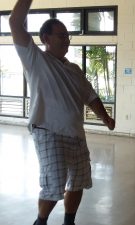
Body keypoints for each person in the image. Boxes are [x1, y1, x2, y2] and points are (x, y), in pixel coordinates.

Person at [9, 1, 115, 225]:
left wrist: (105, 117)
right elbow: (15, 22)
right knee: (55, 181)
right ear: (45, 39)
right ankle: (41, 221)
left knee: (78, 182)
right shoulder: (35, 59)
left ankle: (69, 221)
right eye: (61, 35)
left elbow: (91, 96)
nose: (66, 39)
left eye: (68, 36)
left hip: (76, 134)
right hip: (47, 131)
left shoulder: (74, 69)